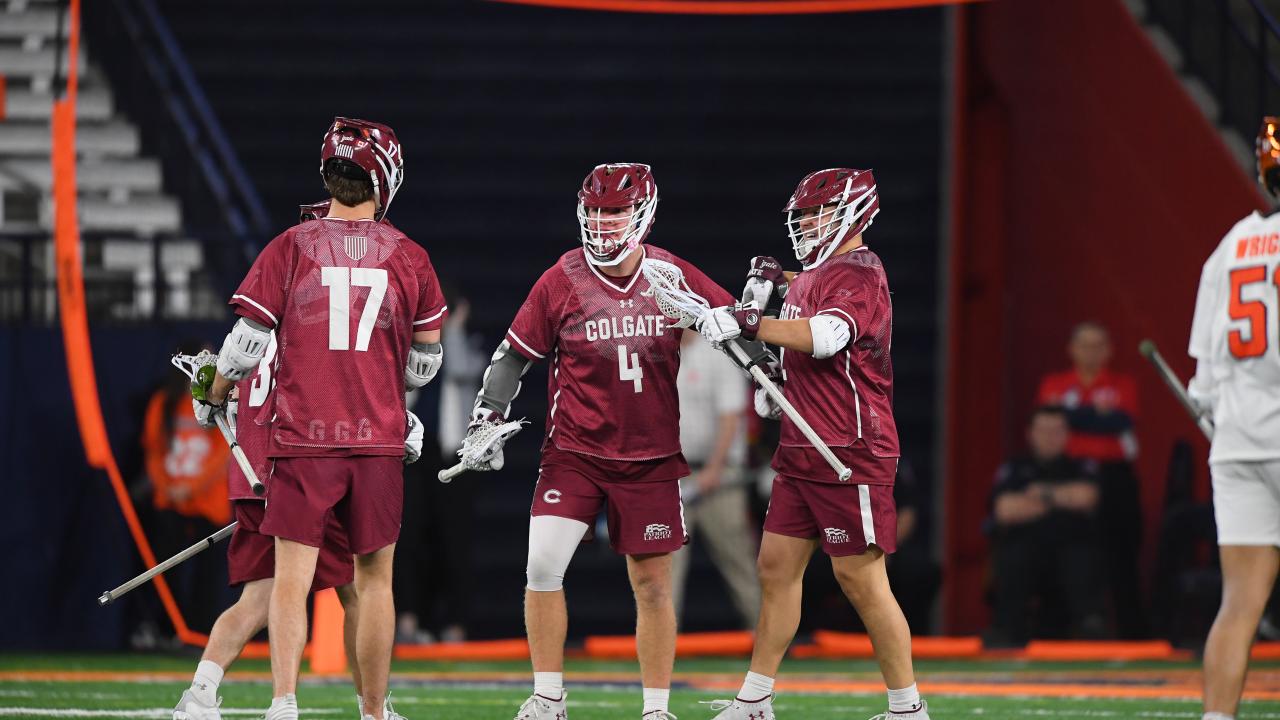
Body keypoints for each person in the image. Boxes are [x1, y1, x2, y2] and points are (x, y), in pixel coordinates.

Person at [190, 118, 447, 720]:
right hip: (376, 440)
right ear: (384, 179)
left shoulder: (292, 245)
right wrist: (389, 393)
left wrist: (216, 391)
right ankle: (376, 711)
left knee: (290, 579)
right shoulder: (410, 255)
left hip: (305, 438)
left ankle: (284, 704)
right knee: (375, 583)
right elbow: (427, 361)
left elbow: (246, 344)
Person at [456, 163, 731, 720]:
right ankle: (548, 696)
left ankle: (656, 709)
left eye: (617, 213)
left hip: (651, 455)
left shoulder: (671, 273)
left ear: (644, 214)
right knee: (541, 566)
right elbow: (514, 356)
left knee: (653, 586)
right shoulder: (562, 278)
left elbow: (733, 326)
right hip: (575, 452)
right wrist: (485, 416)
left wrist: (767, 370)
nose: (605, 225)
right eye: (598, 213)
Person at [695, 168, 929, 719]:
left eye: (814, 214)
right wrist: (773, 312)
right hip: (804, 446)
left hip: (849, 448)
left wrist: (749, 322)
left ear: (854, 213)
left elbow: (826, 336)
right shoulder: (817, 275)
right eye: (800, 216)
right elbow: (805, 320)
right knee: (775, 568)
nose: (806, 224)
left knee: (862, 578)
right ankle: (754, 700)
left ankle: (907, 708)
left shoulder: (861, 272)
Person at [1189, 116, 1280, 720]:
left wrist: (1216, 412)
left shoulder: (1232, 246)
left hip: (1240, 439)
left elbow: (1203, 372)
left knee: (1239, 604)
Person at [1036, 321, 1144, 637]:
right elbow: (1047, 419)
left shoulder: (1122, 383)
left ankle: (1132, 633)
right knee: (1065, 549)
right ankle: (1056, 629)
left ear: (1109, 350)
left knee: (1121, 555)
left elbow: (1120, 422)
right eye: (1084, 345)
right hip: (1066, 475)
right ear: (1071, 349)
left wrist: (1073, 415)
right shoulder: (1055, 382)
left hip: (1114, 478)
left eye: (1098, 345)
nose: (1091, 352)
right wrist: (1094, 415)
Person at [985, 406, 1106, 647]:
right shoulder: (1014, 468)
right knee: (1013, 556)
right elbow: (1004, 510)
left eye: (1057, 430)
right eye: (1044, 430)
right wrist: (1062, 499)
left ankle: (1089, 634)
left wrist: (1039, 494)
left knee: (1083, 558)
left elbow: (1086, 497)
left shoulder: (1082, 467)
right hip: (1026, 552)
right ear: (1030, 433)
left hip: (1071, 550)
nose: (1050, 437)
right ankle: (1008, 635)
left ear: (1067, 435)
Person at [671, 328, 761, 629]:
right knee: (664, 564)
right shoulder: (658, 353)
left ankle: (768, 640)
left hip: (720, 478)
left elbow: (731, 416)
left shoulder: (718, 353)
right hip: (674, 477)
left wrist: (714, 469)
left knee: (738, 558)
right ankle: (660, 645)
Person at [139, 361, 232, 638]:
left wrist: (191, 487)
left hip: (207, 503)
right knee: (167, 571)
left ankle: (201, 633)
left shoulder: (219, 398)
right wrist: (167, 487)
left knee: (208, 575)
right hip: (170, 502)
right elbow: (153, 450)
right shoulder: (164, 403)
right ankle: (164, 630)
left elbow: (223, 454)